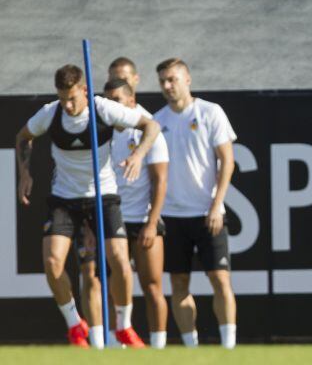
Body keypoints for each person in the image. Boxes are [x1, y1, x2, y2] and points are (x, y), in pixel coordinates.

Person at [15, 64, 158, 348]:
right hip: (64, 198)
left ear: (84, 90)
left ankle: (124, 326)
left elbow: (150, 126)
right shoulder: (51, 113)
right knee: (53, 262)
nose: (67, 105)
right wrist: (25, 173)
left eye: (72, 98)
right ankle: (75, 324)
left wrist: (139, 155)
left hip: (103, 195)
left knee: (119, 258)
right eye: (62, 97)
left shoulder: (103, 108)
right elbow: (23, 137)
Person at [79, 77, 170, 349]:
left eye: (116, 101)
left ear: (131, 101)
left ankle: (158, 347)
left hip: (141, 219)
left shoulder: (148, 127)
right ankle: (111, 343)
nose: (110, 107)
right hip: (108, 215)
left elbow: (160, 180)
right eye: (107, 101)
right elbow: (86, 178)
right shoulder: (99, 129)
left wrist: (152, 223)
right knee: (107, 283)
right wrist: (89, 224)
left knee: (153, 285)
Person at [153, 58, 237, 349]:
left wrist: (217, 205)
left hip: (207, 213)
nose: (167, 86)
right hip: (172, 216)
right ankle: (192, 349)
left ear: (187, 79)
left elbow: (227, 161)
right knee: (178, 284)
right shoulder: (157, 121)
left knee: (220, 279)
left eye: (172, 79)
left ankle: (229, 348)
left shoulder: (210, 112)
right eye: (163, 80)